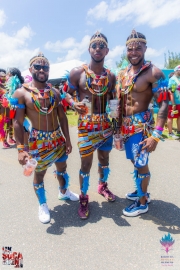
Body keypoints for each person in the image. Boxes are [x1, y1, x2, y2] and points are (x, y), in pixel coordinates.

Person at [12, 53, 78, 224]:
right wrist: (21, 149)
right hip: (37, 141)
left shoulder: (55, 92)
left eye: (45, 67)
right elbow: (17, 123)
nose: (42, 70)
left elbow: (62, 117)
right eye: (38, 67)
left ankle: (63, 192)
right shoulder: (22, 93)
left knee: (62, 167)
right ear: (30, 69)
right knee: (39, 174)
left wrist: (68, 140)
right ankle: (42, 204)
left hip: (57, 139)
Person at [64, 31, 116, 219]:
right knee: (86, 164)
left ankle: (102, 186)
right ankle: (84, 198)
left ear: (107, 50)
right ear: (89, 49)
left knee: (104, 160)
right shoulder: (77, 72)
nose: (97, 49)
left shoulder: (111, 76)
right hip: (86, 126)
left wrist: (116, 125)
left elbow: (113, 102)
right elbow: (65, 93)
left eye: (101, 46)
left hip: (105, 125)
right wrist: (72, 103)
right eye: (94, 46)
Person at [117, 30, 169, 217]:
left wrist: (157, 135)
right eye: (130, 49)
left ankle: (142, 202)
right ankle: (142, 191)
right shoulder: (124, 74)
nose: (134, 52)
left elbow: (165, 103)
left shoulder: (153, 72)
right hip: (126, 126)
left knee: (141, 164)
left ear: (145, 48)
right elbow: (119, 101)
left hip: (142, 126)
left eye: (138, 48)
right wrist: (117, 129)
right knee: (135, 160)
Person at [167, 65, 180, 139]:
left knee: (179, 117)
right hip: (173, 103)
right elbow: (171, 92)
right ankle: (170, 133)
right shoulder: (172, 79)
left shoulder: (179, 78)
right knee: (170, 117)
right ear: (177, 70)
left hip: (179, 102)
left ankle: (178, 131)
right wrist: (173, 103)